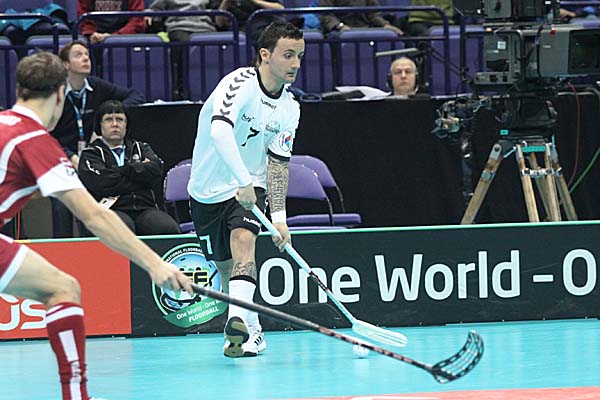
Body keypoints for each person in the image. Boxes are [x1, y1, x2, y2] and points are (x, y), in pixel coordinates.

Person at [0, 51, 192, 400]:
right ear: (61, 93)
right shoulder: (35, 141)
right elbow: (94, 215)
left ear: (18, 90)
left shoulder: (3, 123)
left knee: (62, 287)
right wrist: (155, 264)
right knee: (63, 290)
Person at [187, 21, 304, 357]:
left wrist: (279, 218)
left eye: (299, 56)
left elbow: (278, 165)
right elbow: (219, 132)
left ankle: (234, 322)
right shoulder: (238, 83)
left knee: (243, 241)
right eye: (288, 55)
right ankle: (252, 330)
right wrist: (242, 181)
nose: (296, 64)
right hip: (208, 189)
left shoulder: (290, 108)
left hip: (252, 184)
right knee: (226, 268)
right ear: (265, 55)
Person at [50, 40, 145, 238]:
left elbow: (135, 95)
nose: (86, 58)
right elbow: (48, 136)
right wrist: (70, 156)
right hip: (62, 160)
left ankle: (92, 247)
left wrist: (108, 113)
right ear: (65, 64)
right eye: (78, 55)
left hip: (92, 159)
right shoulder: (55, 93)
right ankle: (62, 247)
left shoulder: (96, 86)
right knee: (62, 201)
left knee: (93, 201)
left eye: (87, 54)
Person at [78, 100, 181, 236]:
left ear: (126, 124)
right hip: (110, 209)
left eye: (120, 119)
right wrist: (139, 176)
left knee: (167, 228)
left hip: (144, 208)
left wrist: (119, 171)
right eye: (108, 119)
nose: (115, 124)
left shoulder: (141, 147)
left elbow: (156, 171)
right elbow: (101, 183)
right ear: (100, 125)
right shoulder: (90, 153)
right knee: (123, 228)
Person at [145, 0, 217, 99]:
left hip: (205, 27)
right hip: (179, 26)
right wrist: (149, 14)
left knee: (214, 44)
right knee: (181, 45)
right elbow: (154, 9)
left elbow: (217, 10)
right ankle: (181, 92)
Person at [212, 0, 286, 43]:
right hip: (241, 29)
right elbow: (219, 23)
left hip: (265, 25)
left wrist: (256, 1)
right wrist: (226, 2)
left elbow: (280, 8)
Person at [318, 0, 404, 36]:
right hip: (338, 31)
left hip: (365, 28)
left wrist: (385, 25)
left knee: (389, 34)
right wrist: (340, 26)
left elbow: (373, 14)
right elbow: (326, 15)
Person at [78, 0, 145, 44]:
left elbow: (137, 20)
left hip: (124, 40)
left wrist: (115, 36)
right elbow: (84, 17)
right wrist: (91, 33)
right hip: (95, 39)